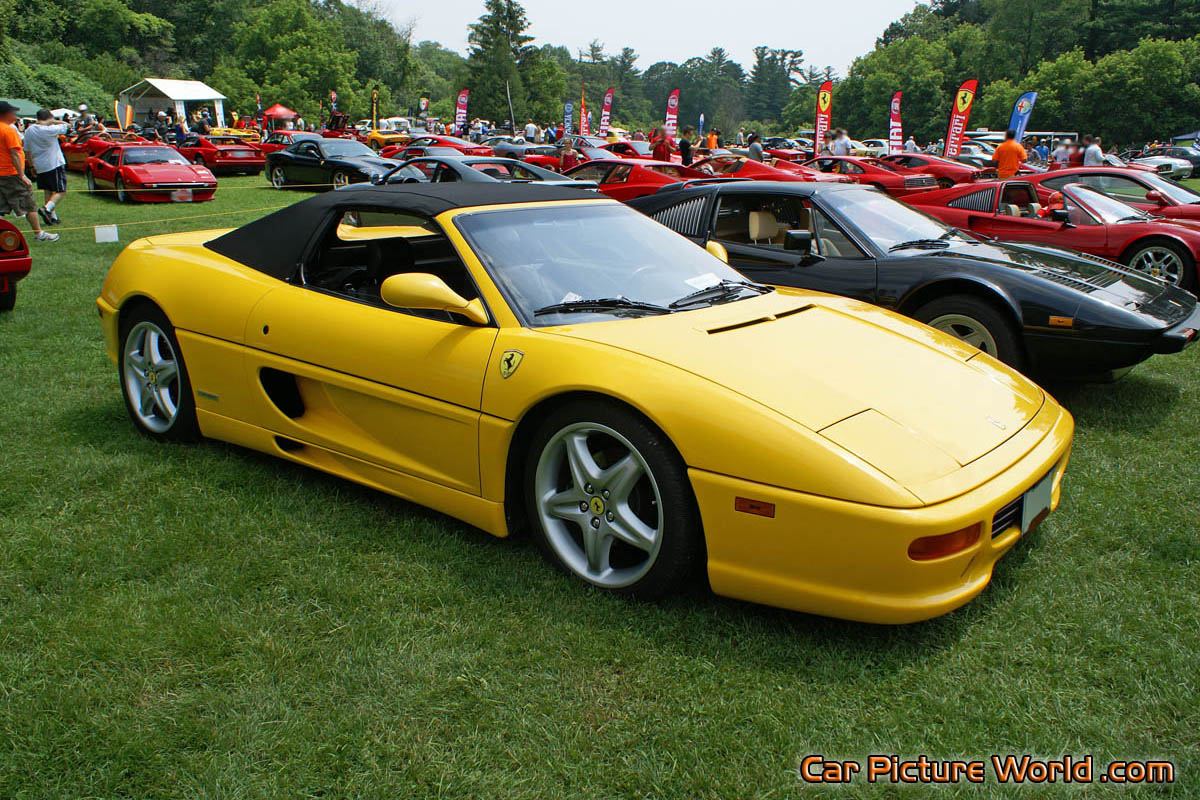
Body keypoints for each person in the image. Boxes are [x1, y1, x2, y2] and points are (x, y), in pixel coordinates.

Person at [0, 102, 57, 242]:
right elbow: (14, 153)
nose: (15, 115)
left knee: (1, 205)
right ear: (4, 114)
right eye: (12, 113)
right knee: (29, 204)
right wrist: (22, 175)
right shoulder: (8, 131)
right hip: (11, 174)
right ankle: (39, 234)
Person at [23, 109, 69, 226]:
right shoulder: (50, 129)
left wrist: (31, 166)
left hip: (39, 165)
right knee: (61, 191)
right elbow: (67, 126)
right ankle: (47, 209)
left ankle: (52, 218)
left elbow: (27, 150)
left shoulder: (29, 131)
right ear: (49, 118)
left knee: (48, 191)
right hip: (54, 163)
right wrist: (54, 121)